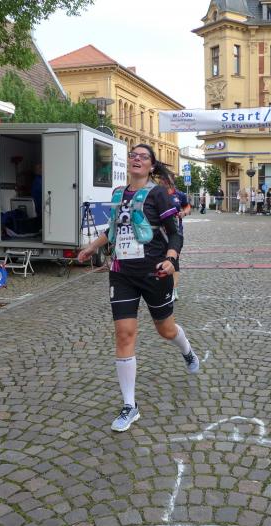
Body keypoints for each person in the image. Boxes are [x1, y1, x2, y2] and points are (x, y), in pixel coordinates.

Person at [76, 144, 198, 432]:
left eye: (143, 157)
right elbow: (113, 229)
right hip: (122, 274)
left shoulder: (158, 194)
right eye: (133, 155)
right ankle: (129, 405)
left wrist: (171, 259)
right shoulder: (118, 193)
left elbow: (175, 233)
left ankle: (187, 351)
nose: (137, 159)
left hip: (155, 272)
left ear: (151, 166)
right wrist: (91, 247)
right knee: (124, 333)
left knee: (166, 330)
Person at [158, 171, 191, 301]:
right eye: (161, 180)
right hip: (159, 234)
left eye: (166, 181)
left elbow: (187, 206)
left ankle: (173, 289)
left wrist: (184, 213)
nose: (163, 183)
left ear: (171, 181)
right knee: (160, 259)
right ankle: (162, 287)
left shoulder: (179, 194)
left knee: (173, 260)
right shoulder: (156, 194)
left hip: (176, 233)